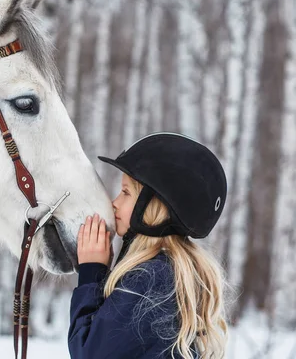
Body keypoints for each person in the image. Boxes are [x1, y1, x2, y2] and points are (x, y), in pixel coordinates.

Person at [68, 133, 228, 359]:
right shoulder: (169, 274)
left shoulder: (151, 278)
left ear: (156, 207)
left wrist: (91, 272)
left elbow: (90, 354)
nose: (114, 202)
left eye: (125, 192)